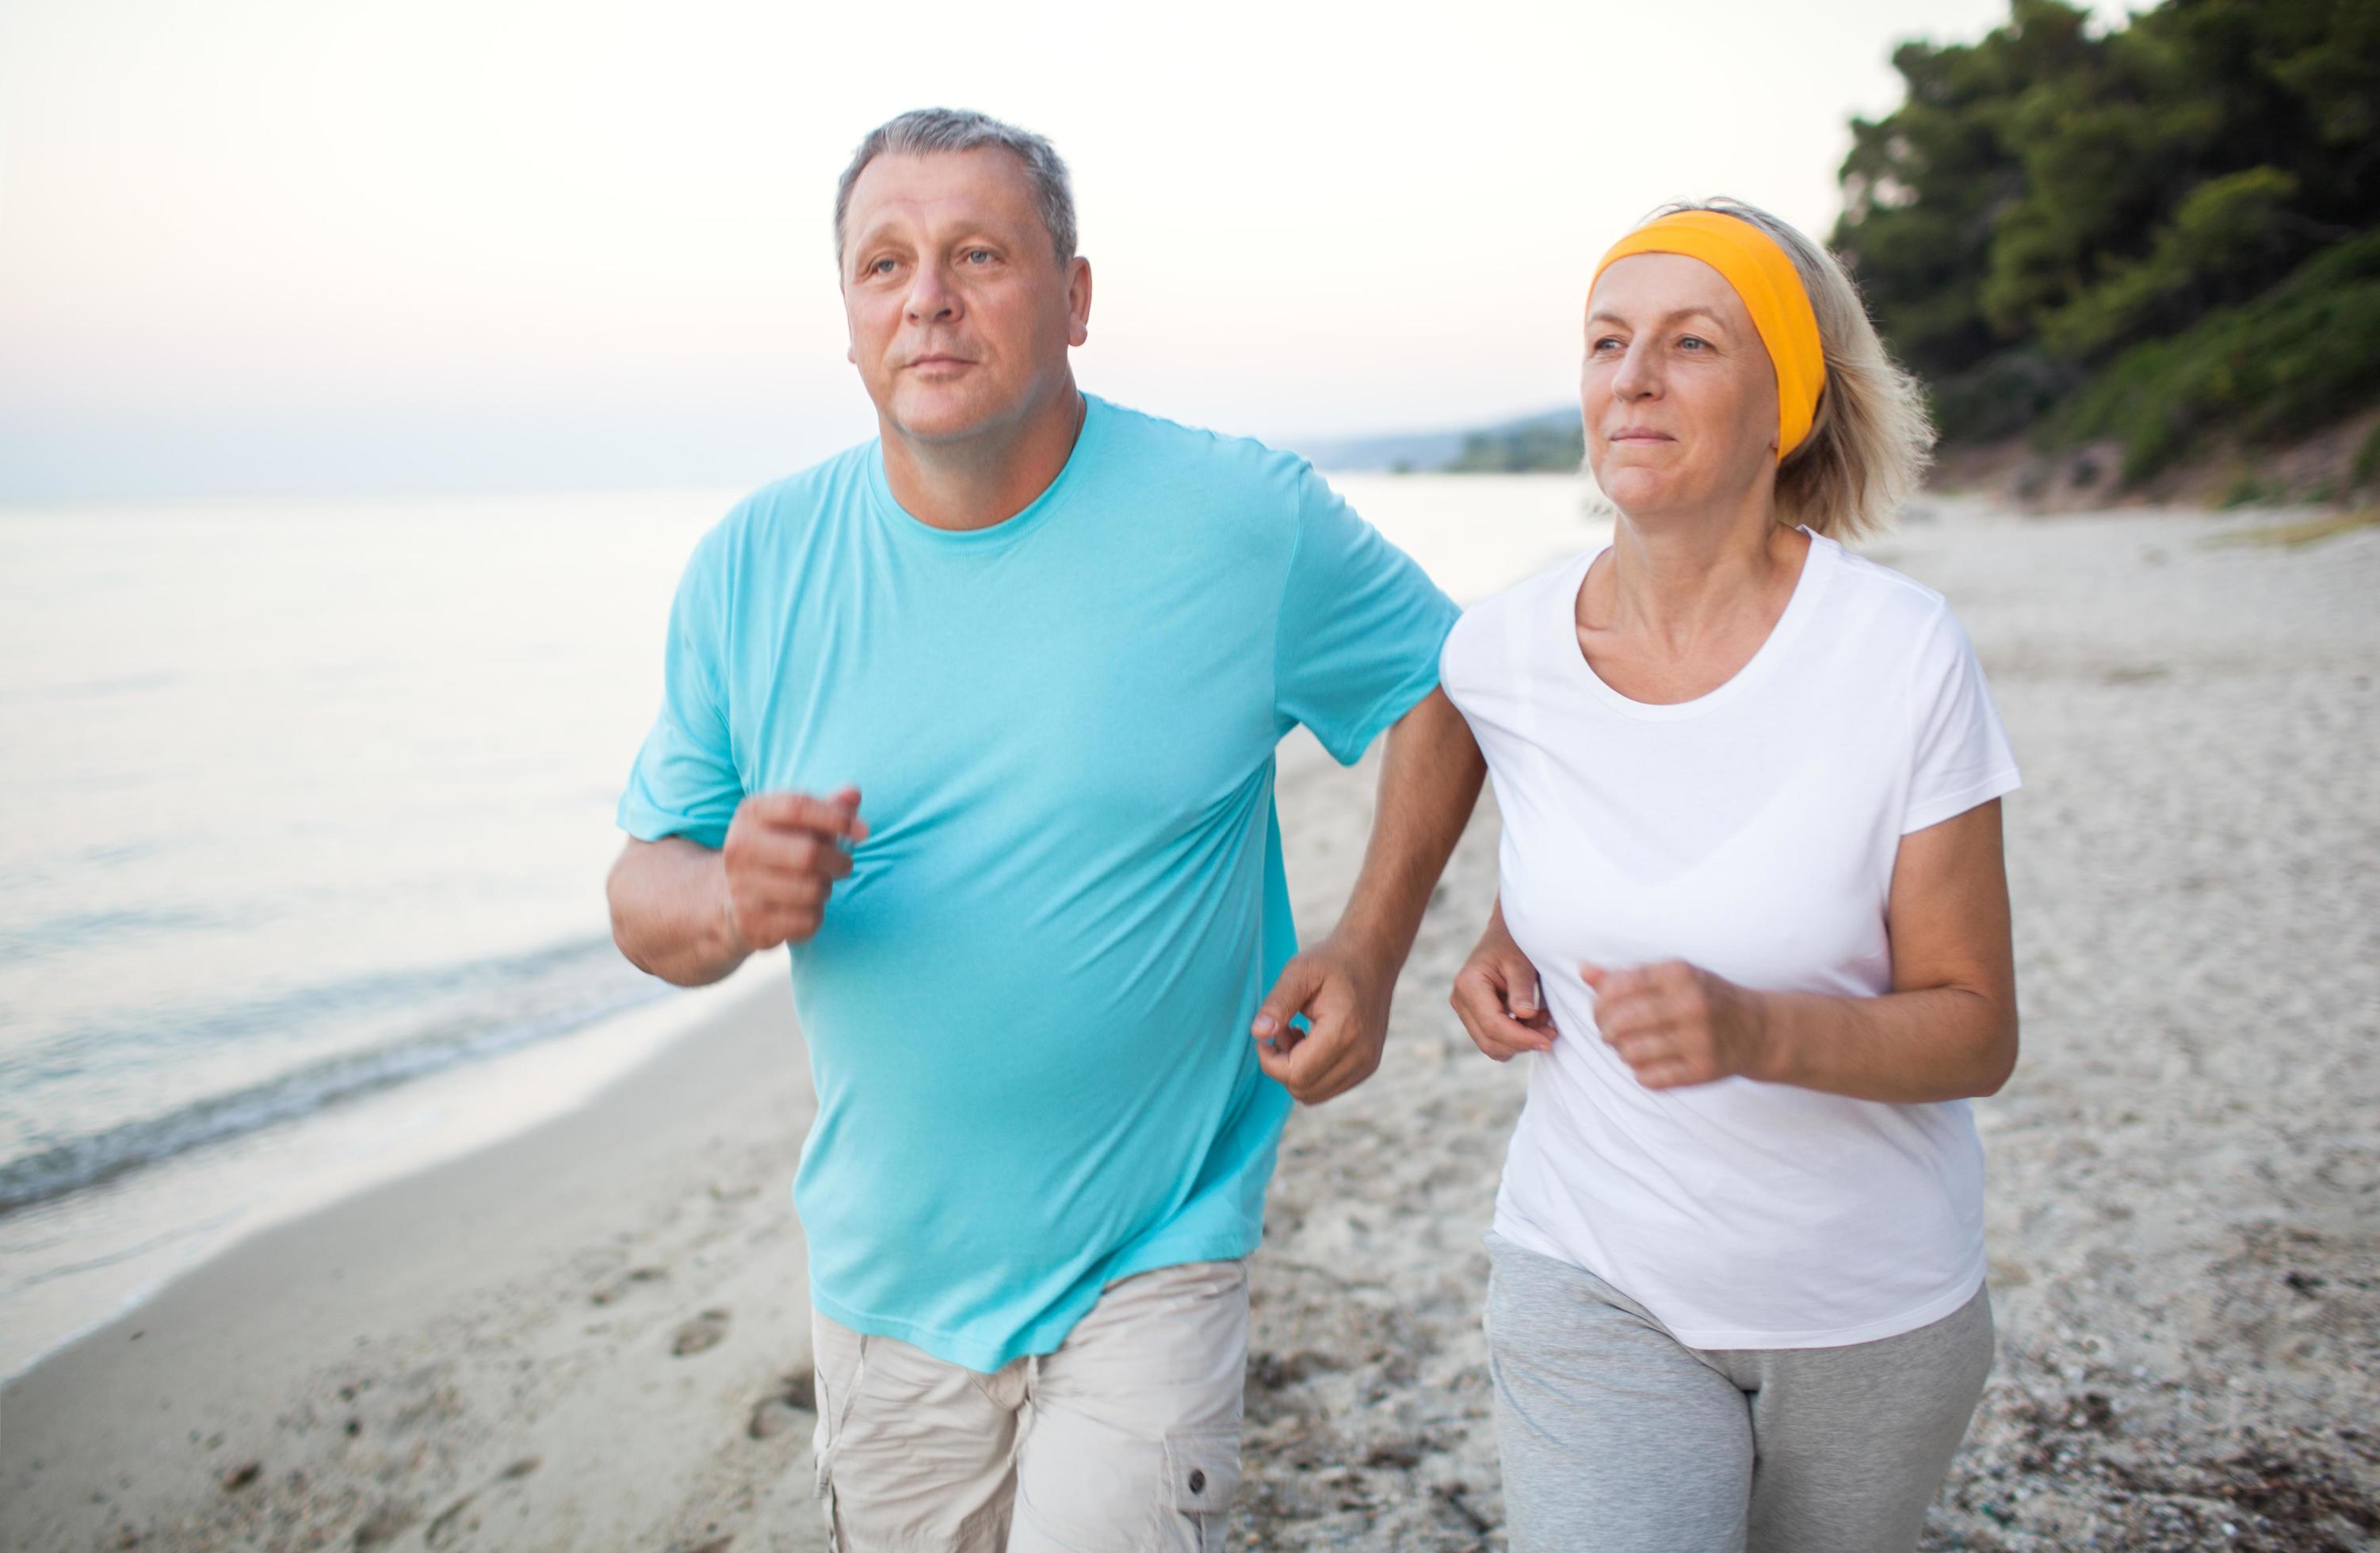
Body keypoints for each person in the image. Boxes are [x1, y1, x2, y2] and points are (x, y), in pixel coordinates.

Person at [604, 108, 1483, 1552]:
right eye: (884, 264)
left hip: (1159, 1244)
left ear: (1074, 297)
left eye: (977, 255)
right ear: (848, 319)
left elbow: (1440, 682)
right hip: (887, 1280)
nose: (928, 297)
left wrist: (1373, 945)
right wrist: (731, 901)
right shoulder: (753, 566)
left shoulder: (1235, 518)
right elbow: (646, 889)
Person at [1439, 200, 2021, 1553]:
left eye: (1691, 343)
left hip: (1867, 1310)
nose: (1631, 377)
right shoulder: (1502, 651)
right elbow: (1566, 822)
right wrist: (1493, 939)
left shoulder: (1899, 655)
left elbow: (1976, 1028)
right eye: (1606, 341)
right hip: (1592, 1271)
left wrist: (1754, 1029)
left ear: (1790, 406)